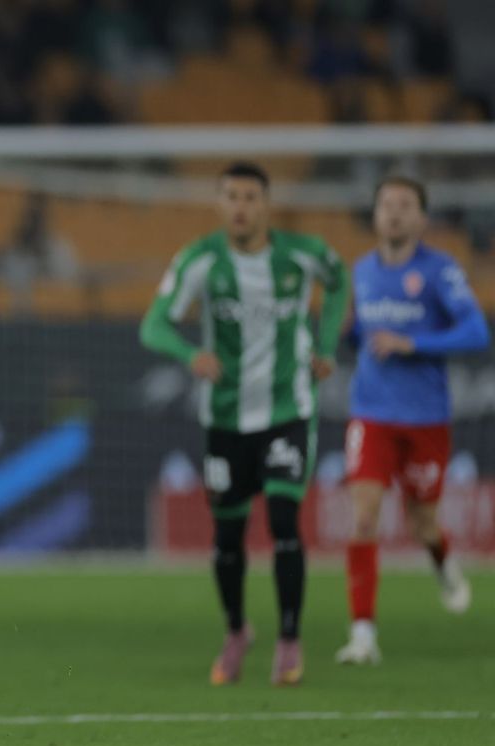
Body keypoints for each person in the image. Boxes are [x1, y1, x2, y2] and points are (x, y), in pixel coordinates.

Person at [140, 161, 348, 688]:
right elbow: (154, 324)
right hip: (226, 417)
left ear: (266, 205)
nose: (241, 207)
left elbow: (339, 280)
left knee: (283, 521)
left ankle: (290, 639)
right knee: (228, 537)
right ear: (219, 204)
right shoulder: (201, 259)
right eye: (231, 197)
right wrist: (191, 355)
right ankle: (236, 631)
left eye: (250, 197)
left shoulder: (301, 254)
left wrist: (326, 346)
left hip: (287, 410)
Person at [336, 175, 488, 665]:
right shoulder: (361, 271)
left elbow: (477, 332)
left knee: (423, 523)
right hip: (371, 413)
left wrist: (412, 343)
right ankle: (362, 635)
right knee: (364, 517)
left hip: (425, 418)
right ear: (376, 214)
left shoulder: (440, 271)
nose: (395, 213)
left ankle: (442, 561)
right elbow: (360, 337)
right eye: (387, 204)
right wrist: (345, 333)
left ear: (421, 218)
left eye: (405, 205)